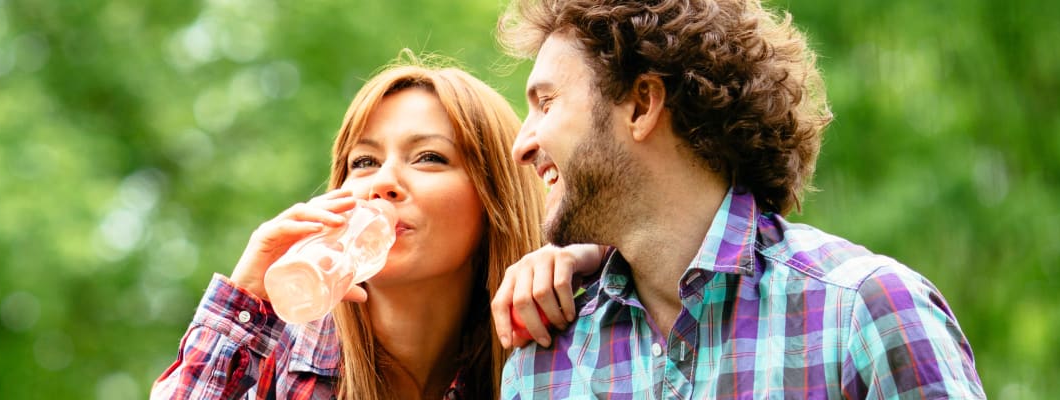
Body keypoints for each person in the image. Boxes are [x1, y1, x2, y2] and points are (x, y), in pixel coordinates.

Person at [485, 0, 987, 398]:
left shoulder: (866, 314)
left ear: (641, 104)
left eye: (546, 103)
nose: (521, 144)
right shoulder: (543, 369)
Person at [150, 53, 570, 399]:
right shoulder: (270, 357)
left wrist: (582, 258)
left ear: (495, 199)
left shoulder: (551, 353)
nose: (383, 183)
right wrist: (243, 304)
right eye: (364, 162)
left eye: (428, 157)